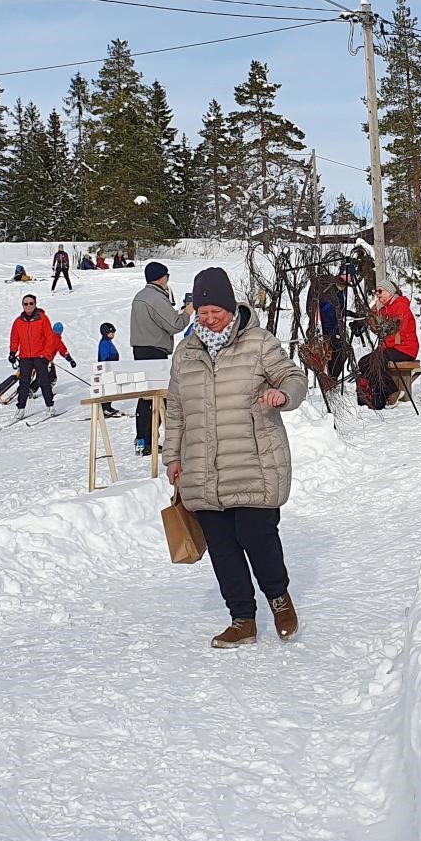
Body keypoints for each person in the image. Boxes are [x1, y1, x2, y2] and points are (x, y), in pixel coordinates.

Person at [162, 267, 308, 648]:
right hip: (202, 467)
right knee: (223, 549)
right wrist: (171, 457)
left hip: (253, 462)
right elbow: (175, 409)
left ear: (231, 308)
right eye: (202, 312)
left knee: (258, 538)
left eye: (217, 312)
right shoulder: (185, 354)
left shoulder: (258, 343)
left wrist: (283, 395)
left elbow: (293, 377)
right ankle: (242, 618)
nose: (209, 319)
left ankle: (279, 599)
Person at [129, 261, 192, 456]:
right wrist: (187, 313)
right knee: (158, 397)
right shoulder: (156, 298)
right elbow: (173, 325)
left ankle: (143, 439)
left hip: (141, 349)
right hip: (154, 352)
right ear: (161, 277)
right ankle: (151, 440)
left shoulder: (140, 296)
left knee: (146, 396)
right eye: (167, 276)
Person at [355, 283, 420, 411]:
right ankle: (378, 396)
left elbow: (397, 332)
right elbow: (379, 328)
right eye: (376, 292)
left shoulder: (400, 306)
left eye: (380, 291)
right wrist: (370, 318)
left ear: (390, 292)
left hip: (405, 348)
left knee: (376, 361)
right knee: (363, 362)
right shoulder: (385, 309)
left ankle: (392, 392)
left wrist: (383, 344)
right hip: (391, 348)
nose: (378, 295)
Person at [8, 293, 72, 412]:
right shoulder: (18, 321)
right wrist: (12, 352)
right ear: (22, 305)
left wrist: (47, 355)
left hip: (40, 356)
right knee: (24, 383)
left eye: (31, 303)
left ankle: (50, 406)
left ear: (35, 304)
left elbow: (50, 338)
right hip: (25, 357)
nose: (28, 306)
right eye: (25, 304)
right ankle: (20, 409)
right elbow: (15, 338)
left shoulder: (42, 318)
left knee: (44, 381)